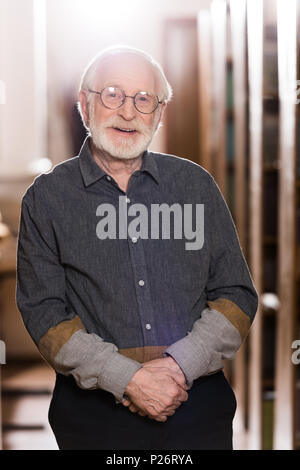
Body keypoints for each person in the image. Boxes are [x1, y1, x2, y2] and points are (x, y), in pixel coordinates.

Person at [16, 45, 258, 450]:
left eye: (144, 99)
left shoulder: (195, 186)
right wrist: (127, 378)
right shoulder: (46, 199)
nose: (128, 112)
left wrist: (178, 368)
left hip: (198, 410)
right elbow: (44, 314)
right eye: (112, 93)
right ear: (84, 103)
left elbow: (236, 295)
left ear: (159, 113)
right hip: (93, 420)